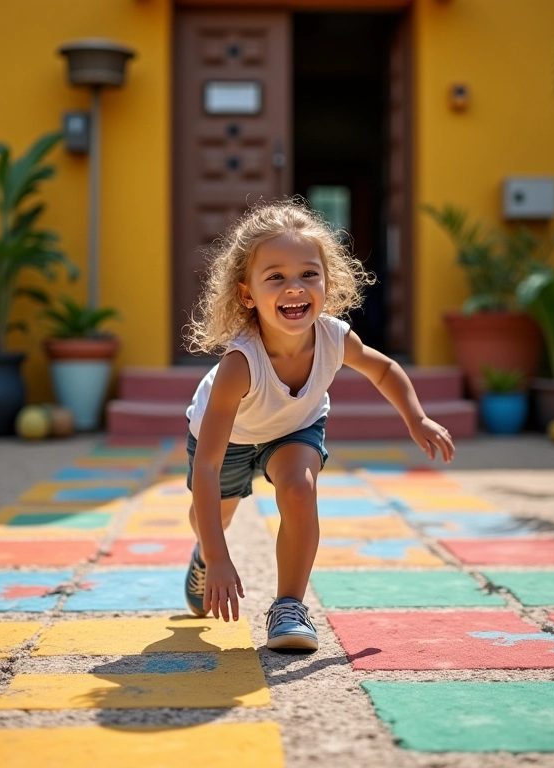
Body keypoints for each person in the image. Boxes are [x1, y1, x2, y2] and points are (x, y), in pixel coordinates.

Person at [182, 198, 455, 652]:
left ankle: (289, 605)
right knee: (212, 516)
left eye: (309, 273)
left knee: (298, 489)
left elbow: (384, 370)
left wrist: (417, 416)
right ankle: (200, 555)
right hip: (228, 441)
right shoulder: (239, 365)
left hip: (295, 428)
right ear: (247, 294)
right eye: (276, 277)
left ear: (327, 282)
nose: (295, 287)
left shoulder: (334, 337)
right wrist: (217, 556)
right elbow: (206, 470)